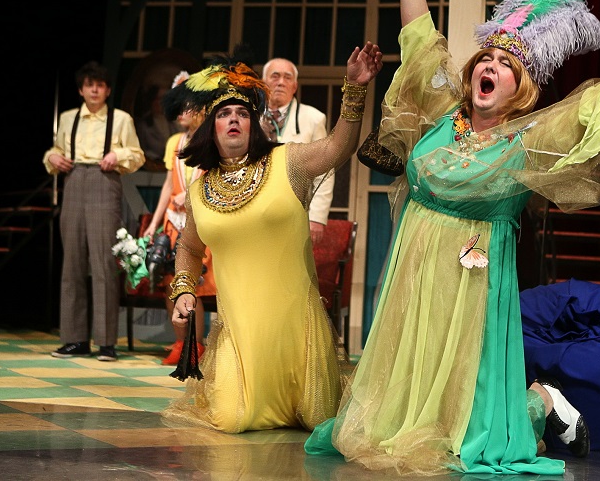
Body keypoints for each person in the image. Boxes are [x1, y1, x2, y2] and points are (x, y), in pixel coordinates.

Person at [304, 0, 600, 476]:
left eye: (505, 66)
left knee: (472, 428)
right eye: (485, 59)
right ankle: (522, 401)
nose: (490, 66)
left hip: (475, 280)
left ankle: (539, 403)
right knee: (385, 423)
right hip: (416, 268)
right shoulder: (443, 113)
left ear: (520, 89)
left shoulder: (526, 140)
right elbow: (419, 39)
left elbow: (588, 110)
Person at [161, 41, 383, 433]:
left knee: (319, 418)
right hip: (239, 339)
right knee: (231, 419)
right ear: (211, 128)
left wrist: (356, 88)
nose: (234, 119)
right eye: (224, 114)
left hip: (299, 338)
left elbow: (338, 147)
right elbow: (190, 249)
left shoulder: (287, 161)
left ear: (254, 123)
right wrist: (183, 290)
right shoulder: (199, 192)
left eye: (242, 113)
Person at [44, 60, 146, 362]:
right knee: (72, 263)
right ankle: (74, 339)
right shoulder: (68, 118)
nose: (95, 90)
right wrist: (53, 158)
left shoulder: (121, 119)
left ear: (108, 90)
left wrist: (118, 155)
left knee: (103, 263)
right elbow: (56, 151)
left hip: (105, 181)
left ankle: (105, 342)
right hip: (74, 180)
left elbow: (137, 155)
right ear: (81, 89)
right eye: (90, 85)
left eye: (100, 86)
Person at [143, 71, 217, 366]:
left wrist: (188, 197)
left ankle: (195, 345)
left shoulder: (210, 140)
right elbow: (167, 184)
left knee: (193, 284)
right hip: (174, 222)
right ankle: (178, 342)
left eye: (186, 106)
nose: (181, 112)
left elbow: (212, 180)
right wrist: (153, 223)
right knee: (171, 283)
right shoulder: (174, 141)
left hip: (199, 222)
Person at [260, 58, 335, 245]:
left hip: (293, 213)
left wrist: (317, 217)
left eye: (287, 78)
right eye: (275, 76)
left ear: (294, 86)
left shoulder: (313, 118)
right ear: (263, 83)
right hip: (252, 211)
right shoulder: (247, 116)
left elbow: (325, 170)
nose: (281, 82)